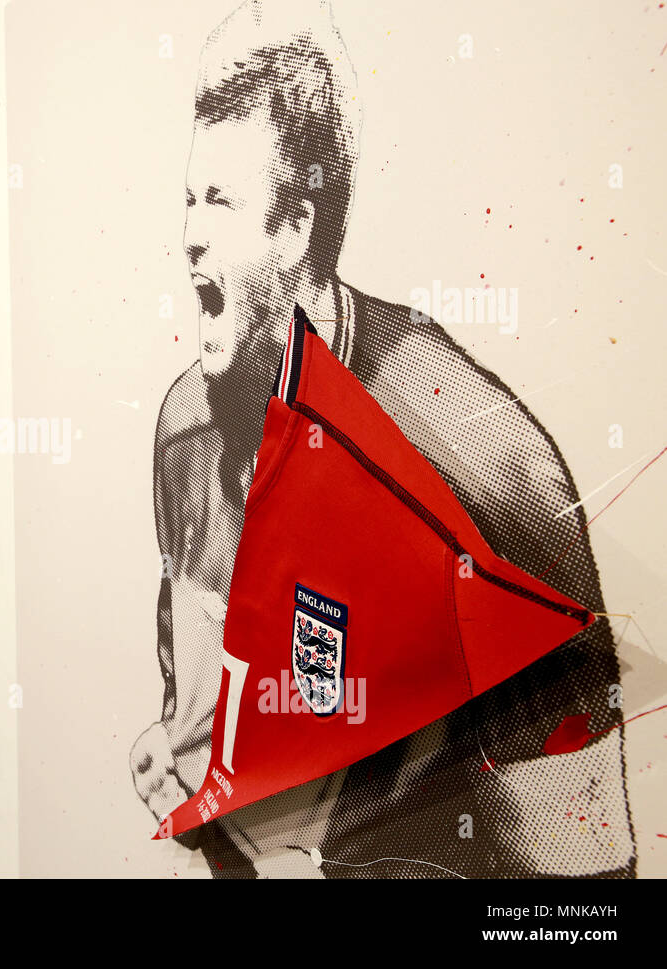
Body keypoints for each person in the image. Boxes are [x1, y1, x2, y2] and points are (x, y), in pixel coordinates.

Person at [130, 0, 635, 878]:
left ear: (298, 227)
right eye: (187, 198)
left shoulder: (483, 463)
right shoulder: (185, 435)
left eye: (220, 200)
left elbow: (581, 883)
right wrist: (184, 757)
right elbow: (217, 711)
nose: (189, 235)